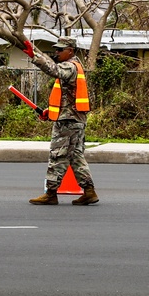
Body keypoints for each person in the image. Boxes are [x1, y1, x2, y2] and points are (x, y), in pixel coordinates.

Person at [21, 36, 99, 206]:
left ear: (70, 50)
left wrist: (35, 57)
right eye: (56, 49)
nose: (56, 52)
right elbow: (67, 96)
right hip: (74, 118)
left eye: (60, 50)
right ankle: (89, 191)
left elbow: (54, 70)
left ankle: (50, 193)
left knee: (57, 155)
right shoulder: (75, 65)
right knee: (75, 156)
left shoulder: (69, 66)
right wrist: (52, 111)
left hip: (68, 121)